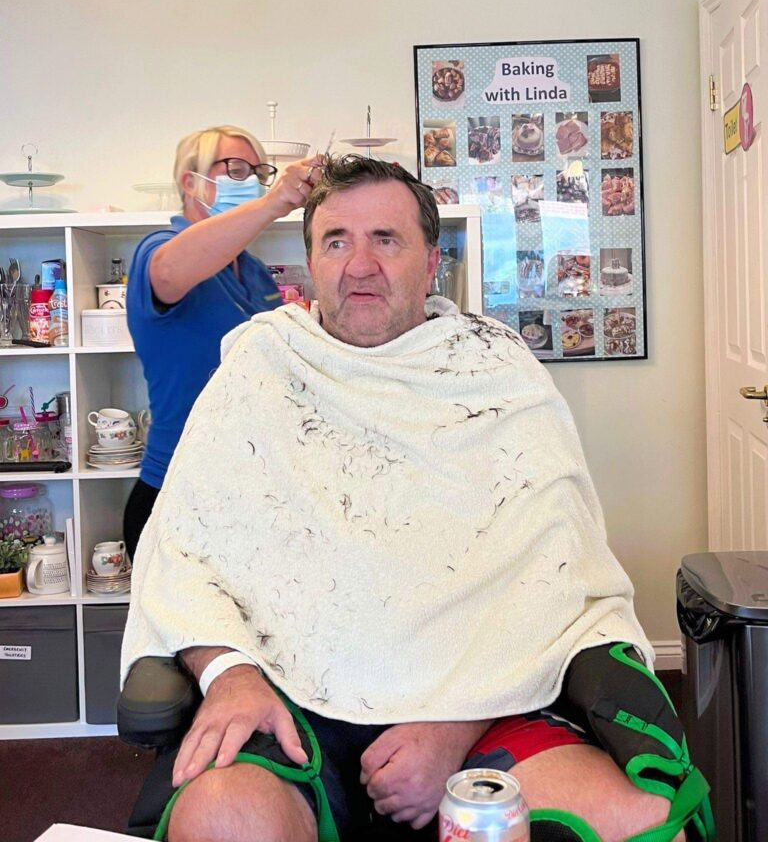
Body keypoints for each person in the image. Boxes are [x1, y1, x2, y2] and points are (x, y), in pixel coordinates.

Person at [121, 157, 708, 842]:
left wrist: (454, 727)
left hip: (486, 690)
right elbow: (184, 551)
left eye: (386, 239)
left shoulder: (495, 369)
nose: (360, 265)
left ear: (431, 263)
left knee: (636, 819)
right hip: (289, 687)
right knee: (223, 817)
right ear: (310, 263)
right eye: (336, 241)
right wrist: (229, 674)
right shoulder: (260, 365)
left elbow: (557, 574)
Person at [123, 124, 322, 557]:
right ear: (190, 182)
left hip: (252, 487)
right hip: (176, 491)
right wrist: (273, 202)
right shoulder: (159, 250)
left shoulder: (253, 272)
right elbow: (169, 273)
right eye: (233, 169)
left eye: (257, 172)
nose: (248, 181)